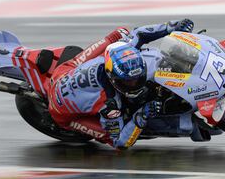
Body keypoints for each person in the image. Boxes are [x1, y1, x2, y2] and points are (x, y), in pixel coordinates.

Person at [47, 19, 194, 149]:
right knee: (111, 136)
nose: (135, 84)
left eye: (137, 78)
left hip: (65, 70)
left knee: (120, 33)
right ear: (114, 79)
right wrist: (143, 113)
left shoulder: (125, 50)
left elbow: (139, 33)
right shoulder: (110, 105)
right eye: (128, 82)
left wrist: (171, 27)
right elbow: (120, 142)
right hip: (61, 111)